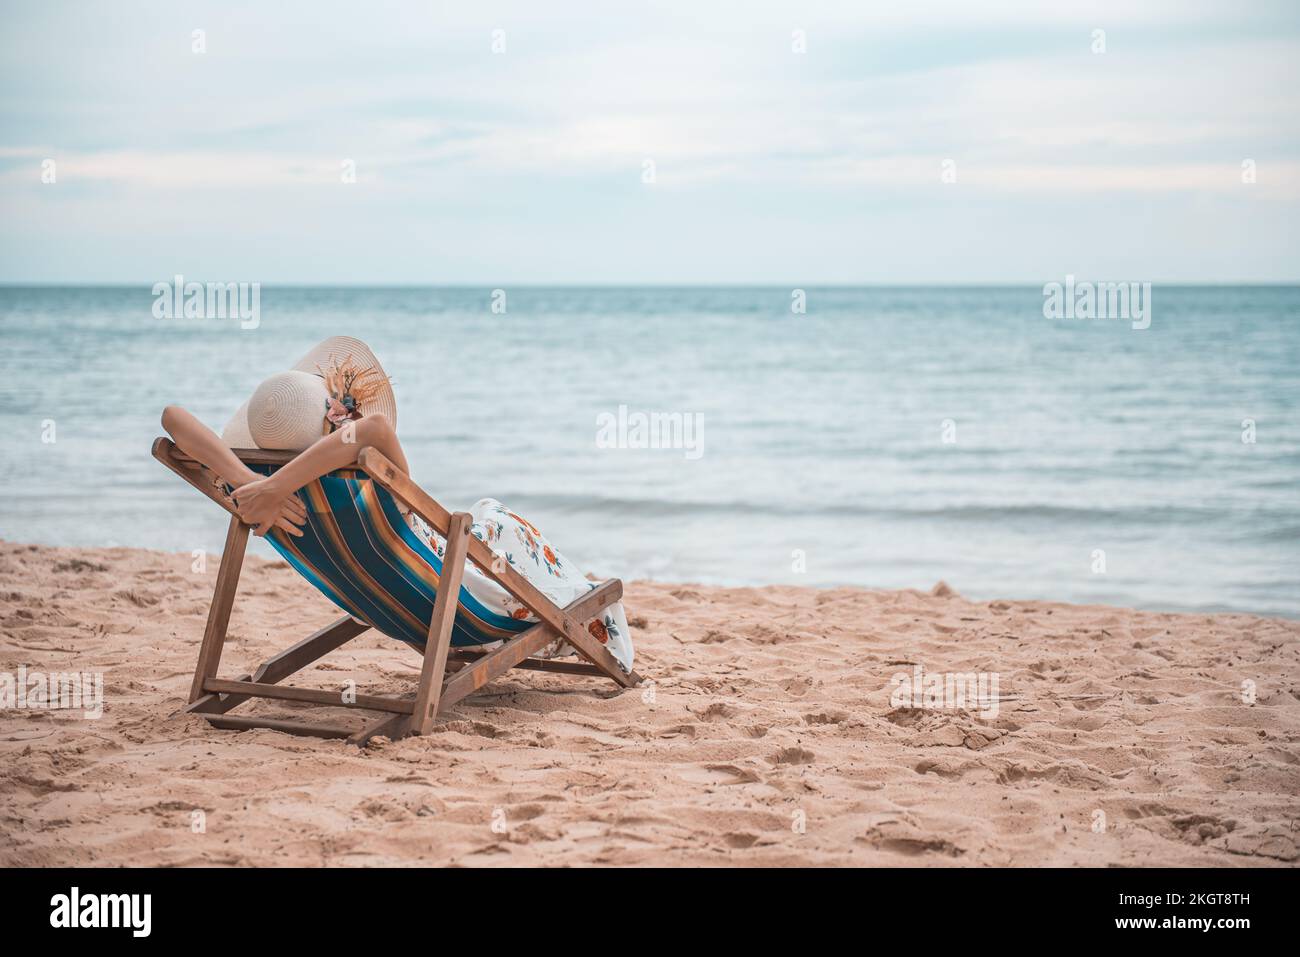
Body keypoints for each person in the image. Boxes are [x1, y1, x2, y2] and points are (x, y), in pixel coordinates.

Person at [161, 336, 634, 672]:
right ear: (335, 415)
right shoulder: (360, 473)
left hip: (386, 599)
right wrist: (267, 488)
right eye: (335, 403)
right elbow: (375, 431)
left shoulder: (254, 488)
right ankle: (582, 598)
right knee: (494, 517)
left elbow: (171, 420)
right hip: (465, 591)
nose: (345, 407)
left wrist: (256, 483)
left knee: (488, 516)